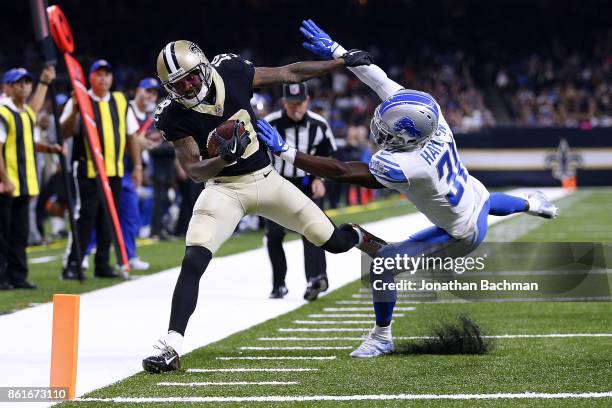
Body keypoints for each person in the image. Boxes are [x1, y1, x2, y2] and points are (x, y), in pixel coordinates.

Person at [258, 20, 559, 358]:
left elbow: (343, 171)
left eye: (387, 131)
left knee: (385, 265)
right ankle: (533, 202)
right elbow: (378, 78)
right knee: (485, 200)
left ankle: (381, 336)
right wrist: (339, 52)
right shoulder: (431, 115)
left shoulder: (412, 166)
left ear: (407, 136)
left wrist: (287, 152)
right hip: (470, 192)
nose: (380, 132)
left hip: (462, 235)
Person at [142, 40, 376, 373]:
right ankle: (171, 347)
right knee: (193, 259)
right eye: (179, 85)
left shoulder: (231, 71)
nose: (188, 87)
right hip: (223, 188)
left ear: (204, 67)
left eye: (191, 78)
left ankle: (362, 238)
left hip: (267, 179)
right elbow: (193, 170)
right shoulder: (173, 114)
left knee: (335, 243)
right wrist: (223, 158)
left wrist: (339, 64)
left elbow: (289, 72)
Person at [59, 60, 142, 280]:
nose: (103, 78)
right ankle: (73, 264)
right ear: (90, 77)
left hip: (114, 170)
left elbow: (131, 135)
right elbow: (64, 132)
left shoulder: (120, 101)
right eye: (99, 74)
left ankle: (102, 264)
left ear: (112, 78)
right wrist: (76, 108)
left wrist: (137, 166)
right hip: (88, 170)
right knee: (85, 218)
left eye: (107, 74)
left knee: (108, 218)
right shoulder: (80, 98)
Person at [264, 83, 336, 301]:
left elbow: (328, 155)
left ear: (308, 102)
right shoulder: (270, 123)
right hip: (278, 184)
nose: (296, 108)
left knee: (314, 231)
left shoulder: (319, 124)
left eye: (300, 103)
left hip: (307, 183)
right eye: (292, 103)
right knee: (274, 235)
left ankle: (316, 279)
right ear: (284, 103)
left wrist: (319, 178)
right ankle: (279, 284)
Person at [0, 68, 62, 290]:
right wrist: (5, 179)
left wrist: (48, 148)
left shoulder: (24, 113)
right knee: (3, 234)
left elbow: (26, 141)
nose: (24, 86)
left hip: (24, 183)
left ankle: (17, 276)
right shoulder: (3, 112)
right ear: (6, 87)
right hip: (7, 185)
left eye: (27, 82)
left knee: (19, 233)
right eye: (17, 83)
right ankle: (2, 277)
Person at [123, 77, 161, 269]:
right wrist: (142, 143)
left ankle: (129, 256)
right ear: (138, 90)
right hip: (114, 167)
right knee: (98, 214)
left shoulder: (147, 119)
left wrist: (145, 145)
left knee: (131, 214)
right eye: (148, 91)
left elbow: (136, 142)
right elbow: (131, 139)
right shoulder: (125, 108)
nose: (150, 96)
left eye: (154, 93)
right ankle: (82, 254)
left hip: (128, 170)